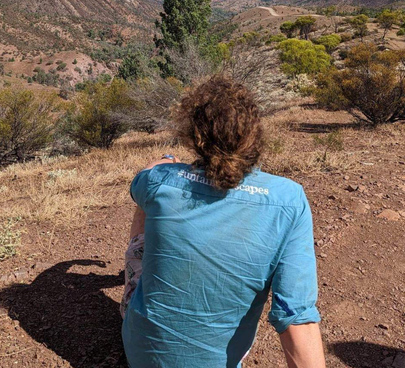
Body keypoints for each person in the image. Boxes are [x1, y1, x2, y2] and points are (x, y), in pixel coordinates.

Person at [121, 75, 325, 368]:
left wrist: (166, 161)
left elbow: (141, 180)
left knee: (146, 204)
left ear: (193, 135)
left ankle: (134, 262)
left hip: (139, 355)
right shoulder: (289, 199)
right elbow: (296, 316)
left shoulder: (159, 181)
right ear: (254, 137)